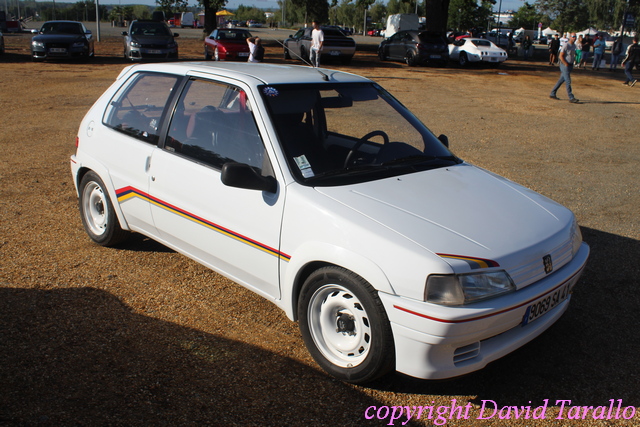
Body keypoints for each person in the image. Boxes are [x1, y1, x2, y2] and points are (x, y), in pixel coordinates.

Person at [550, 33, 579, 103]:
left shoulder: (574, 45)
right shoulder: (566, 45)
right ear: (570, 37)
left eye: (575, 37)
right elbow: (561, 56)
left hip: (570, 65)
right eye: (573, 37)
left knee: (561, 80)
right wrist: (565, 63)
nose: (574, 38)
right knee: (568, 81)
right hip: (564, 65)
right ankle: (571, 97)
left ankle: (552, 93)